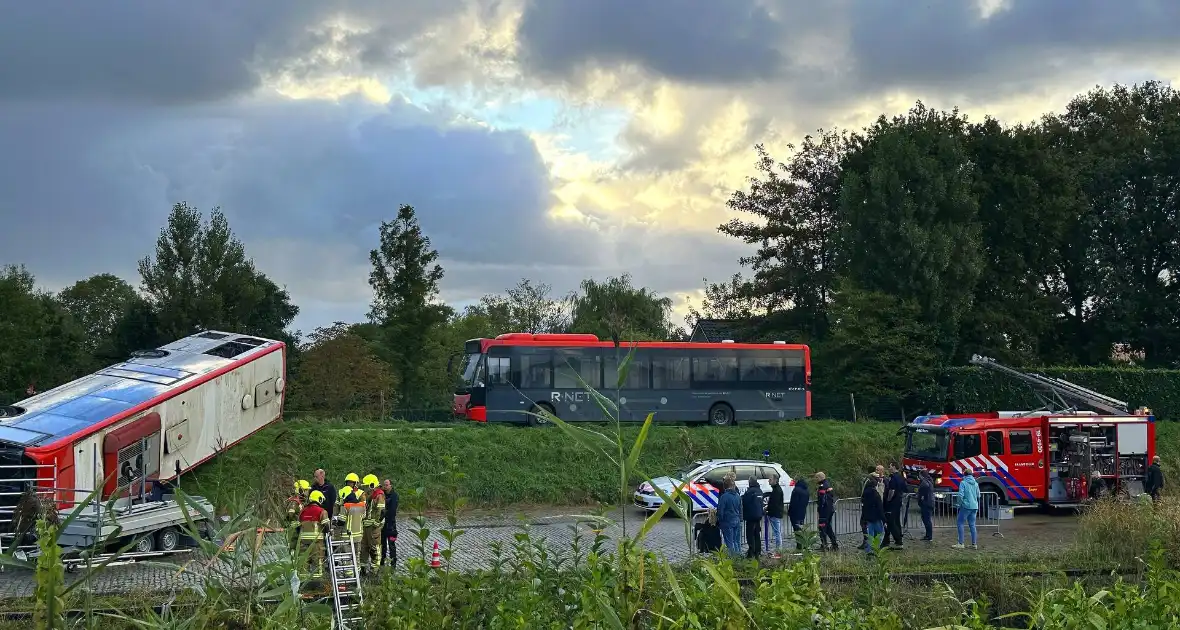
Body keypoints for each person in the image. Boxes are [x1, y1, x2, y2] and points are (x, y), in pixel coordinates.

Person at [298, 490, 332, 578]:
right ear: (319, 499)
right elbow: (326, 526)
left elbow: (299, 524)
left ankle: (303, 583)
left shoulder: (303, 511)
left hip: (303, 542)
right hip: (316, 543)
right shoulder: (322, 511)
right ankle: (318, 583)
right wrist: (329, 532)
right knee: (318, 564)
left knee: (303, 563)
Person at [360, 474, 385, 573]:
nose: (366, 489)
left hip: (373, 528)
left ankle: (375, 570)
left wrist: (376, 523)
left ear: (372, 485)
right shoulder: (370, 496)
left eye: (367, 486)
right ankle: (363, 568)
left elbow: (381, 511)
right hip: (366, 526)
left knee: (375, 547)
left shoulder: (379, 495)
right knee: (364, 548)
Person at [953, 468, 981, 549]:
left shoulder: (963, 483)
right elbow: (978, 495)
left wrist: (959, 504)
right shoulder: (976, 484)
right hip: (974, 506)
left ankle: (961, 543)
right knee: (972, 525)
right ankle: (974, 544)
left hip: (966, 506)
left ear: (964, 475)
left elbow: (960, 495)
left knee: (960, 523)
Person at [717, 475, 743, 556]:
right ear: (733, 486)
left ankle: (732, 559)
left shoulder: (724, 497)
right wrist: (740, 519)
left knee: (729, 542)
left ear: (725, 486)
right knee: (736, 541)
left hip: (727, 521)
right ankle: (739, 556)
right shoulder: (738, 496)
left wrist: (719, 520)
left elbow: (720, 511)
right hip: (737, 520)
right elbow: (741, 509)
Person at [860, 471, 885, 554]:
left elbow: (864, 503)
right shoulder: (876, 495)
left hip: (868, 517)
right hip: (876, 517)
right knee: (880, 533)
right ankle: (876, 549)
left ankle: (869, 550)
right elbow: (880, 508)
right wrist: (884, 519)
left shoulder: (866, 493)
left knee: (870, 535)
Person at [883, 463, 906, 549]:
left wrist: (888, 500)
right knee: (896, 521)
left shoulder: (893, 478)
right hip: (898, 502)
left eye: (890, 466)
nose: (889, 468)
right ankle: (892, 539)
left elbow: (891, 491)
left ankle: (898, 540)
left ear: (894, 467)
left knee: (891, 522)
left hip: (892, 503)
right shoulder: (901, 477)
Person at [741, 476, 765, 559]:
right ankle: (758, 551)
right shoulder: (760, 491)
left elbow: (745, 502)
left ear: (750, 482)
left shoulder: (750, 492)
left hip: (751, 516)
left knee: (750, 535)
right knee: (757, 534)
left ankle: (751, 552)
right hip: (758, 515)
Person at [815, 472, 838, 551]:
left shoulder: (822, 487)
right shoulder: (828, 484)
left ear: (820, 478)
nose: (816, 479)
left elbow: (822, 500)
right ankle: (834, 544)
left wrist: (819, 510)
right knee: (828, 528)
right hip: (829, 509)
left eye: (816, 478)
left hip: (824, 511)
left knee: (822, 528)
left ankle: (824, 545)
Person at [286, 479, 311, 552]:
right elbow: (290, 515)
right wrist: (298, 522)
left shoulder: (301, 502)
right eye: (306, 490)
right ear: (300, 490)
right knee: (293, 550)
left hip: (298, 530)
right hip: (294, 530)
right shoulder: (294, 502)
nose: (308, 492)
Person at [787, 475, 809, 551]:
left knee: (797, 530)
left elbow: (793, 502)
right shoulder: (806, 490)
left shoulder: (796, 490)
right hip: (802, 512)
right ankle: (805, 545)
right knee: (801, 529)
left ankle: (799, 546)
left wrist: (789, 511)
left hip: (795, 513)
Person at [381, 479, 399, 568]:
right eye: (384, 485)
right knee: (382, 544)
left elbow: (392, 511)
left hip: (391, 525)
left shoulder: (394, 496)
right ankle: (382, 561)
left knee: (391, 544)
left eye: (387, 485)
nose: (385, 486)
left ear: (391, 486)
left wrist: (385, 513)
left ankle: (393, 563)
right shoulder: (382, 494)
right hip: (382, 524)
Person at [766, 474, 786, 553]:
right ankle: (778, 548)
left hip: (775, 514)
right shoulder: (775, 489)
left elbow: (774, 504)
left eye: (770, 479)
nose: (769, 481)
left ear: (775, 480)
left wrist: (768, 510)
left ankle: (779, 549)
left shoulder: (777, 490)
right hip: (775, 513)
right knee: (777, 531)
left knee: (777, 532)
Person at [917, 470, 935, 542]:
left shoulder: (925, 483)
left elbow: (922, 492)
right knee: (927, 519)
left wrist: (920, 497)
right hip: (930, 503)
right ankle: (928, 535)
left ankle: (929, 536)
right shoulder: (929, 481)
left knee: (926, 519)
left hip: (926, 503)